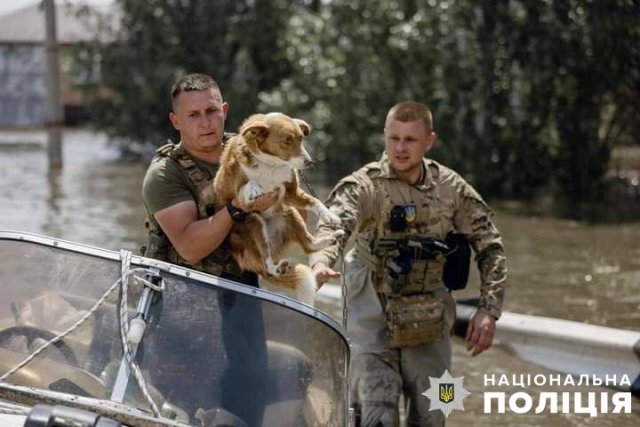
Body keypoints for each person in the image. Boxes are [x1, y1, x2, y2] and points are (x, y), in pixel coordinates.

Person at [311, 101, 508, 426]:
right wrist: (321, 261)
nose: (400, 148)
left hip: (431, 318)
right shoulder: (365, 185)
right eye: (394, 138)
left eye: (410, 140)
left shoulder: (451, 188)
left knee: (439, 408)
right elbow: (334, 224)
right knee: (375, 414)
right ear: (385, 136)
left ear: (429, 141)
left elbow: (490, 246)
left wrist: (488, 310)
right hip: (371, 315)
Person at [141, 73, 276, 425]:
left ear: (225, 111)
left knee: (247, 407)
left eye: (212, 111)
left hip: (241, 299)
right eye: (193, 115)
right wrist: (238, 207)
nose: (206, 122)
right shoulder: (165, 174)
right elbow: (190, 247)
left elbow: (293, 201)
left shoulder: (251, 154)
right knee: (182, 411)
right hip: (182, 306)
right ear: (176, 121)